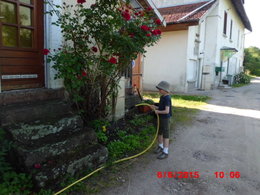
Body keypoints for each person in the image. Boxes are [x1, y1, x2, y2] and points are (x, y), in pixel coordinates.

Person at [152, 81, 172, 159]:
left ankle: (165, 151)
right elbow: (161, 107)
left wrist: (157, 111)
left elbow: (166, 111)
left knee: (165, 134)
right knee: (159, 132)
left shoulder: (167, 98)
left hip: (165, 118)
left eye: (160, 89)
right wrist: (154, 107)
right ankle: (160, 146)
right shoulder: (162, 97)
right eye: (159, 89)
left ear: (165, 90)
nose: (159, 90)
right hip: (160, 117)